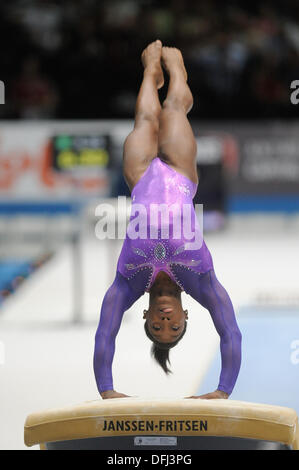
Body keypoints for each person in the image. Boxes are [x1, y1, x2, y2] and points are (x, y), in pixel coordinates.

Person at [94, 40, 242, 400]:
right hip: (179, 174)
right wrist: (222, 392)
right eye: (172, 326)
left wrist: (107, 390)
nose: (164, 319)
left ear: (143, 317)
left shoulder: (127, 284)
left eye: (157, 326)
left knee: (145, 118)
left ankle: (149, 70)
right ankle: (177, 70)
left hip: (140, 177)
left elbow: (104, 335)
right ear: (185, 316)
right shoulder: (201, 282)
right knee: (175, 107)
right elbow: (231, 334)